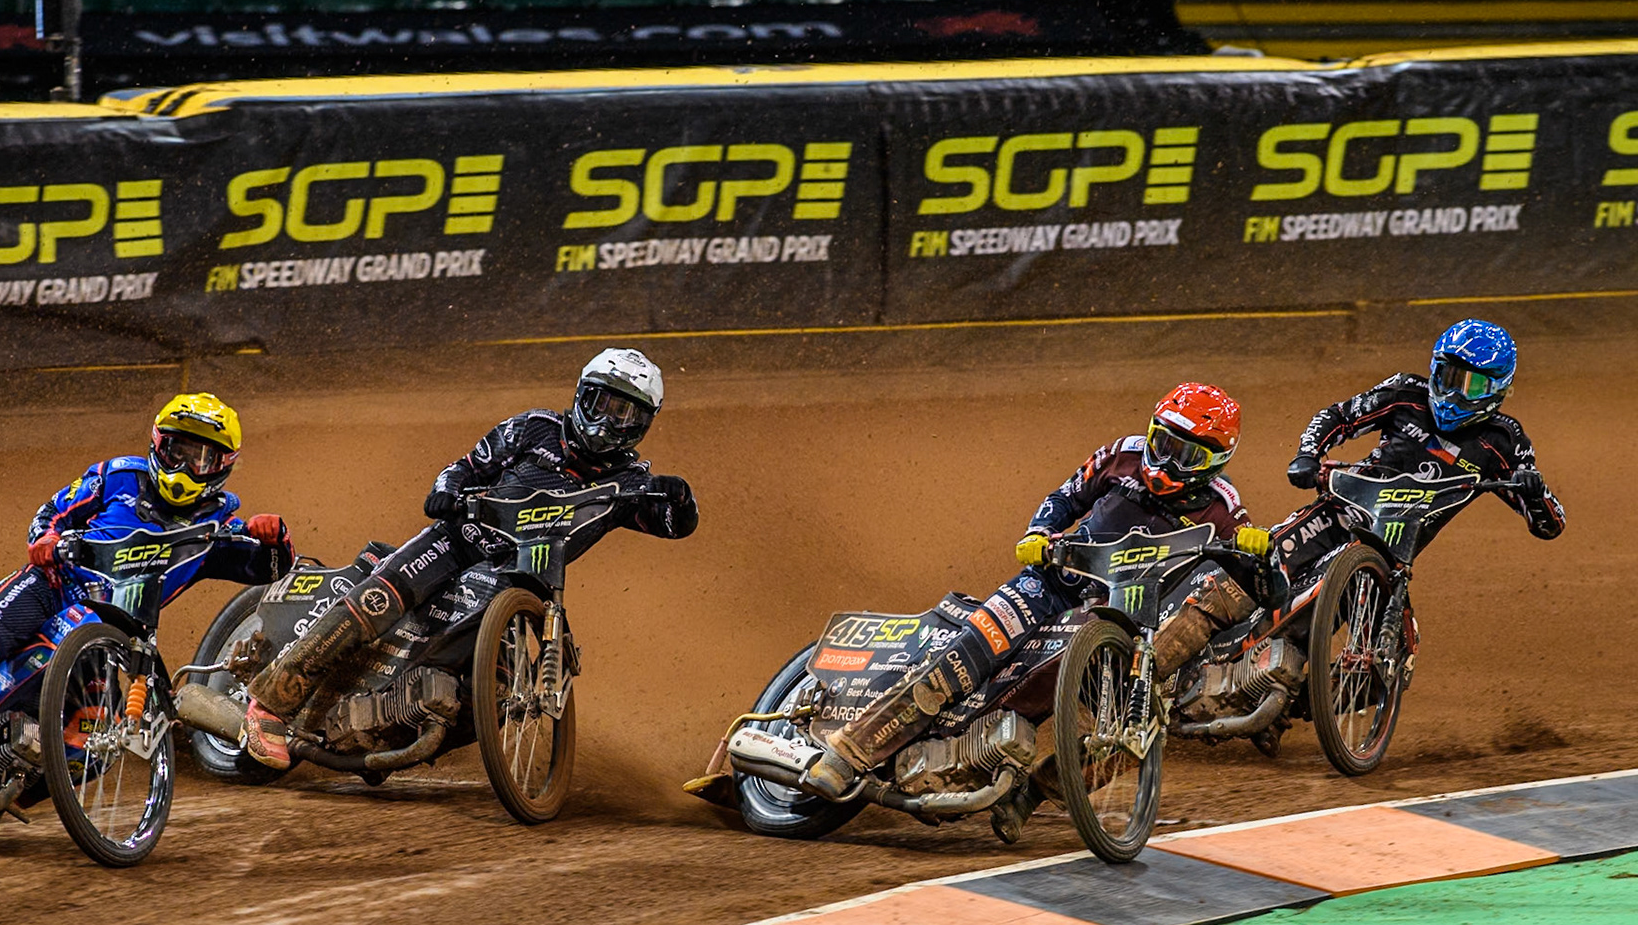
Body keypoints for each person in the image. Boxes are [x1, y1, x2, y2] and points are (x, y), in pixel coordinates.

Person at [0, 392, 295, 814]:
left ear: (222, 465)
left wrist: (276, 539)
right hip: (48, 588)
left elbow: (269, 572)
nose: (185, 464)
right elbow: (50, 513)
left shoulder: (220, 527)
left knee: (92, 745)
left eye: (201, 456)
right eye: (178, 449)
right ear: (157, 445)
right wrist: (45, 540)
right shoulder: (117, 477)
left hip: (108, 637)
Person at [804, 382, 1270, 799]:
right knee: (969, 653)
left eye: (1183, 454)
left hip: (1102, 614)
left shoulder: (1224, 508)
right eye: (1161, 442)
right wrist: (1040, 532)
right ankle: (847, 755)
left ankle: (1002, 781)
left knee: (1046, 693)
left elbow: (1257, 575)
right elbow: (1065, 497)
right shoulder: (1121, 454)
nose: (1164, 460)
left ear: (1213, 464)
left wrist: (1252, 547)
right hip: (1051, 580)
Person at [239, 347, 699, 768]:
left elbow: (674, 525)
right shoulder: (534, 427)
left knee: (494, 689)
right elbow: (461, 469)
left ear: (643, 424)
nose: (608, 421)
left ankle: (393, 724)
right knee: (379, 601)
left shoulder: (633, 481)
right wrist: (446, 493)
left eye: (625, 414)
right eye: (603, 404)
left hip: (518, 579)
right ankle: (268, 706)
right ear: (582, 396)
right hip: (459, 540)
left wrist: (680, 499)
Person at [1283, 318, 1563, 550]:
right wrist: (1308, 454)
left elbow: (1551, 526)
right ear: (1434, 371)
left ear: (1498, 389)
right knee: (1269, 563)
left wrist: (1535, 493)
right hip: (1342, 511)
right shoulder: (1406, 392)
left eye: (1472, 386)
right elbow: (1340, 416)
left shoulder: (1504, 440)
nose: (1454, 394)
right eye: (1449, 377)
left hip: (1393, 552)